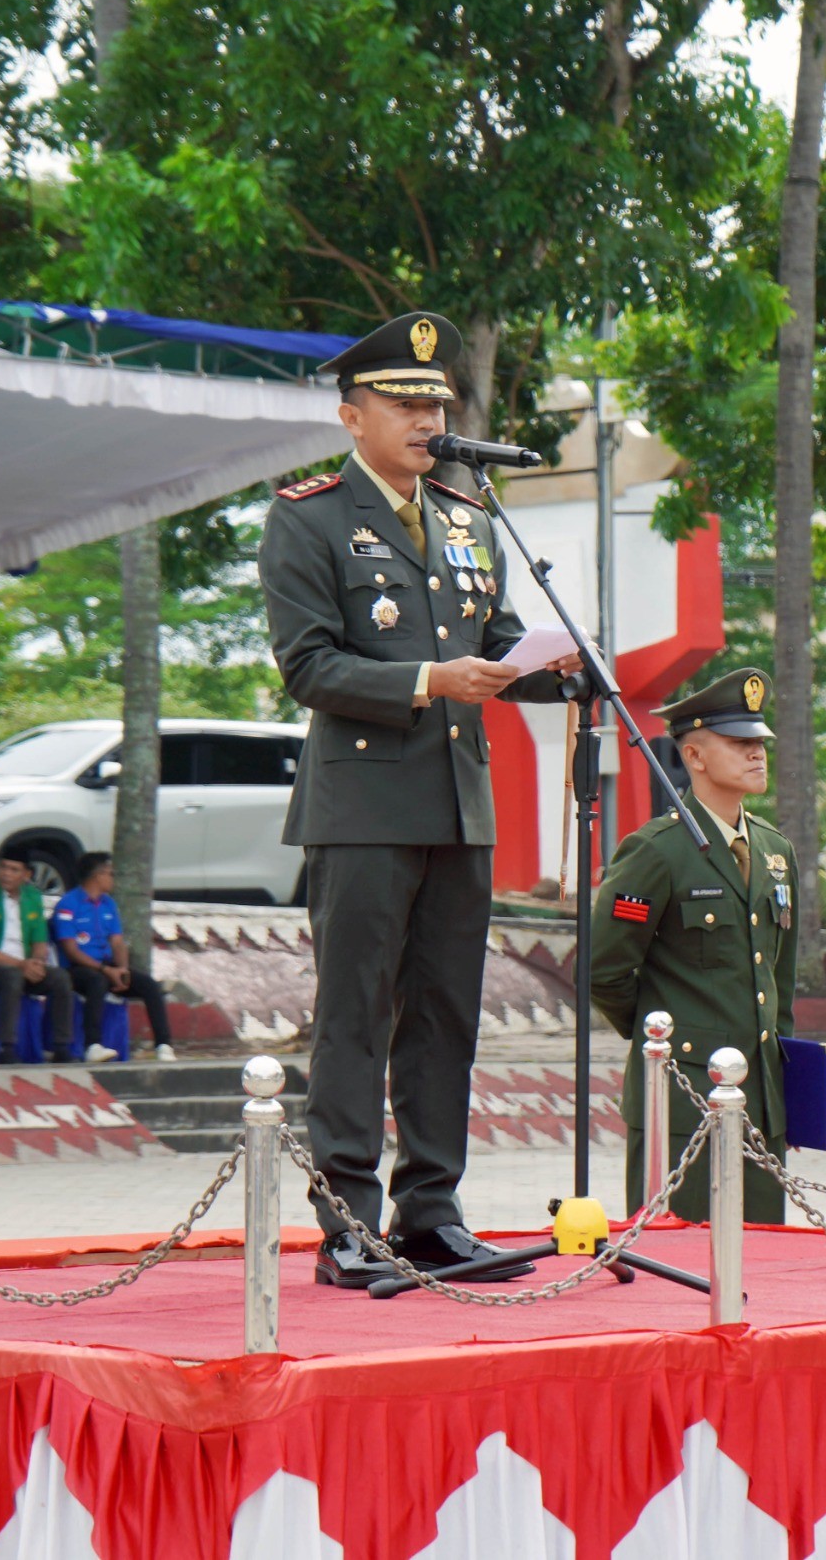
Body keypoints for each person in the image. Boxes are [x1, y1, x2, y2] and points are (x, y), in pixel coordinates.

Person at [260, 308, 583, 1290]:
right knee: (356, 1011)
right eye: (403, 401)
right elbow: (308, 665)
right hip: (361, 807)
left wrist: (551, 664)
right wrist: (427, 682)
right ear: (352, 416)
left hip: (456, 805)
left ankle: (432, 1212)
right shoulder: (308, 518)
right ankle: (349, 1221)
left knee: (445, 1013)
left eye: (436, 402)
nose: (425, 417)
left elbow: (497, 646)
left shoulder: (469, 519)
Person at [590, 668, 795, 1224]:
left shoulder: (776, 853)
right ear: (696, 758)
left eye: (759, 743)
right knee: (678, 1266)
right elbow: (604, 972)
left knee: (766, 1264)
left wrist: (788, 1092)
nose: (758, 754)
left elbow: (782, 982)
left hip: (761, 1099)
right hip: (681, 1100)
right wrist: (666, 1038)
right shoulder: (656, 852)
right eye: (740, 744)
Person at [53, 852, 178, 1064]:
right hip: (78, 967)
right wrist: (105, 971)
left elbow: (118, 942)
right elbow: (71, 949)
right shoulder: (68, 904)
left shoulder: (108, 904)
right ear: (97, 876)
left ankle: (163, 1045)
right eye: (110, 873)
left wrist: (122, 970)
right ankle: (93, 1045)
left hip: (108, 966)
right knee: (97, 982)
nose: (113, 878)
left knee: (148, 985)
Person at [0, 853, 76, 1063]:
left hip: (24, 966)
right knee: (11, 976)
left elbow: (40, 941)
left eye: (14, 869)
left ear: (26, 874)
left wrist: (37, 963)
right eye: (3, 867)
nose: (6, 874)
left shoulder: (33, 898)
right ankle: (7, 1048)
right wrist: (21, 965)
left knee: (60, 978)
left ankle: (61, 1047)